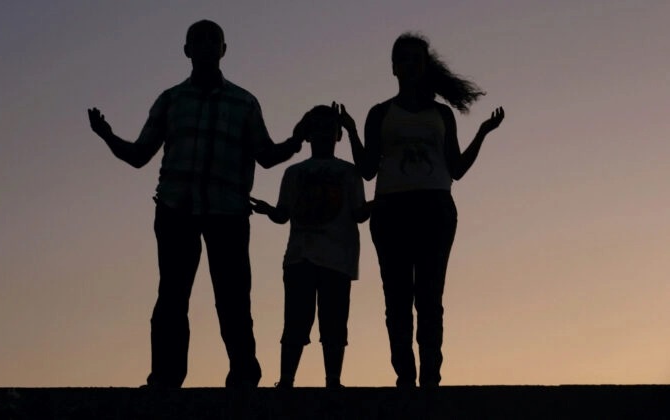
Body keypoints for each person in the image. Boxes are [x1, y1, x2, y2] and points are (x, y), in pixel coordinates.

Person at [87, 19, 307, 389]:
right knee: (172, 297)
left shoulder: (244, 102)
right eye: (198, 40)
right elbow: (140, 155)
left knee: (233, 298)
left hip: (229, 213)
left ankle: (243, 374)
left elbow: (266, 156)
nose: (206, 45)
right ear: (187, 50)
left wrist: (295, 140)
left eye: (213, 40)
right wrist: (107, 136)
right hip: (177, 211)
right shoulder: (171, 100)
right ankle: (166, 378)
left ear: (223, 50)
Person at [347, 33, 505, 388]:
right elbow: (368, 168)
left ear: (424, 66)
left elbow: (457, 168)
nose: (409, 65)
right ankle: (406, 376)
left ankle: (430, 378)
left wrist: (482, 133)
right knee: (397, 299)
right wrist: (353, 132)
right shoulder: (380, 113)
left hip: (435, 208)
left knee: (430, 298)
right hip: (391, 209)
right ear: (393, 68)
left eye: (415, 59)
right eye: (402, 59)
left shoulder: (441, 114)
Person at [250, 104, 370, 388]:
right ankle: (287, 380)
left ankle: (331, 380)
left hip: (336, 259)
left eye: (329, 128)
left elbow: (358, 213)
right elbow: (283, 214)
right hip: (300, 257)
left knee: (333, 324)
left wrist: (383, 202)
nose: (324, 133)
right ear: (307, 134)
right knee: (296, 322)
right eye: (317, 127)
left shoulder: (349, 173)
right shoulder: (294, 172)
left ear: (338, 134)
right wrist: (268, 210)